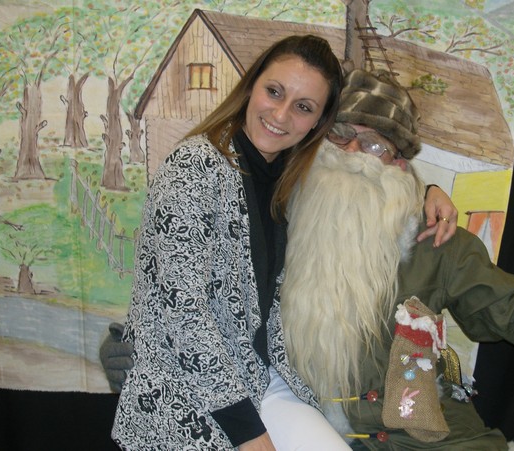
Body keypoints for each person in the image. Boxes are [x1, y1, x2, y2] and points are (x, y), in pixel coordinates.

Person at [110, 35, 455, 451]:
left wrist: (428, 191)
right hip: (183, 386)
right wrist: (248, 434)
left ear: (319, 123)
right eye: (274, 91)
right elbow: (182, 311)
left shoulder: (290, 176)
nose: (280, 114)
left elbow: (372, 187)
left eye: (303, 107)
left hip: (258, 376)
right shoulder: (194, 167)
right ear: (251, 85)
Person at [278, 69, 514, 449]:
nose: (351, 152)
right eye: (339, 133)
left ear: (399, 165)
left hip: (419, 432)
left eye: (374, 145)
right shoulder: (275, 221)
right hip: (311, 431)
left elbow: (508, 303)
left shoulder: (433, 242)